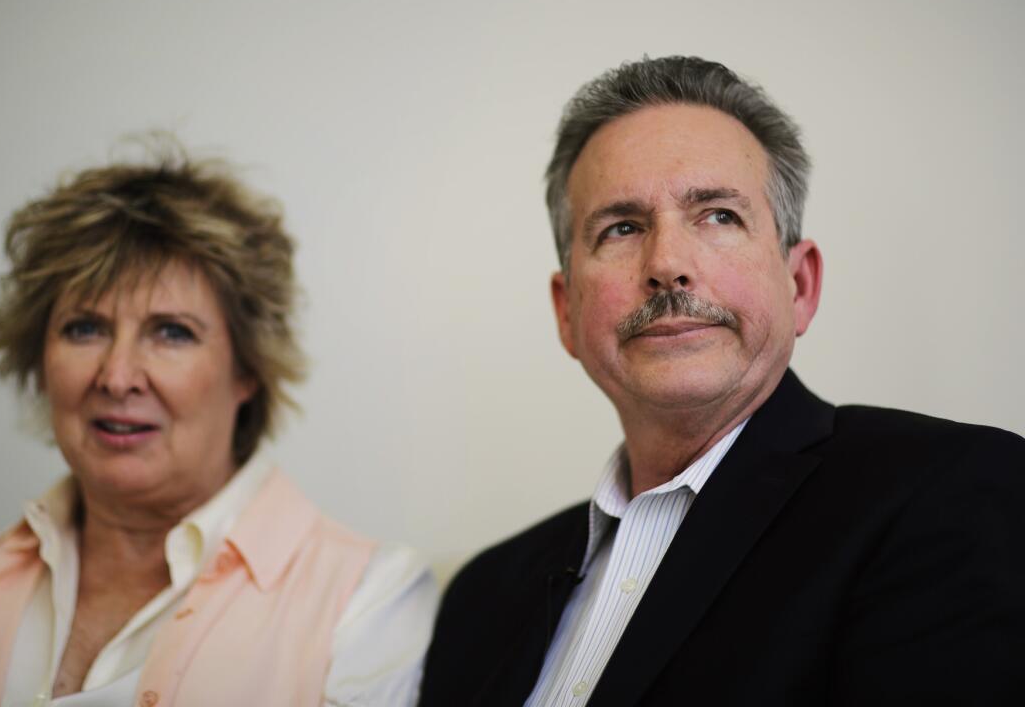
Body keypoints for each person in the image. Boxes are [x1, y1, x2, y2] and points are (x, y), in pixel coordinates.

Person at [419, 56, 1025, 705]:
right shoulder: (481, 598)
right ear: (567, 312)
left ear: (800, 285)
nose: (669, 265)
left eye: (717, 216)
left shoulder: (950, 493)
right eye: (621, 227)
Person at [0, 143, 437, 706]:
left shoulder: (366, 603)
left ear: (248, 370)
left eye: (172, 332)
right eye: (84, 328)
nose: (117, 377)